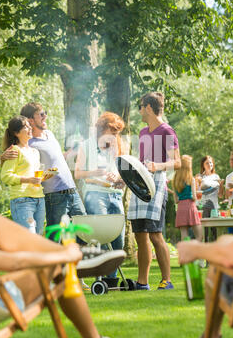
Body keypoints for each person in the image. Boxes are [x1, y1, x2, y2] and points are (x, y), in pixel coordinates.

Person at [0, 208, 134, 338]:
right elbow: (8, 262)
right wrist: (65, 257)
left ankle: (70, 256)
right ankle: (71, 258)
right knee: (57, 266)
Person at [1, 103, 86, 239]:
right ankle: (48, 260)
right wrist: (3, 157)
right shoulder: (29, 144)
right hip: (54, 196)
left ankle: (84, 258)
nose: (45, 116)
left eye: (44, 112)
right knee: (55, 238)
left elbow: (57, 159)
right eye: (41, 114)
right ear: (30, 120)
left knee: (84, 231)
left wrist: (73, 151)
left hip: (71, 190)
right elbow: (12, 165)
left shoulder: (49, 135)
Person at [128, 92, 181, 290]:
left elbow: (177, 162)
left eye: (141, 106)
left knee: (155, 234)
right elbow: (141, 164)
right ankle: (143, 283)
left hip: (157, 185)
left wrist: (156, 166)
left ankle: (166, 280)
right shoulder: (142, 132)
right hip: (140, 184)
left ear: (149, 107)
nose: (140, 110)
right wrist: (125, 179)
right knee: (140, 234)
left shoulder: (167, 131)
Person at [74, 112, 126, 287]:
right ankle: (104, 278)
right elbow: (78, 173)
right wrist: (94, 173)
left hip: (115, 195)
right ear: (101, 129)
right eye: (112, 132)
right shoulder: (86, 146)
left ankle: (111, 279)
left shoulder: (118, 145)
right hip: (95, 194)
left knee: (119, 238)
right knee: (103, 237)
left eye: (117, 133)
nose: (114, 136)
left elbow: (123, 171)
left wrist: (118, 177)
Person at [1, 116, 45, 235]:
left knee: (39, 239)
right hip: (22, 201)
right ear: (16, 133)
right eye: (26, 126)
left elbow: (35, 175)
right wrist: (29, 180)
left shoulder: (35, 152)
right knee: (30, 239)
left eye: (29, 125)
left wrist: (44, 177)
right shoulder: (14, 150)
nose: (30, 128)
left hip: (39, 199)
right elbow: (5, 176)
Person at [173, 155, 202, 241]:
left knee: (184, 234)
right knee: (199, 236)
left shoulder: (175, 180)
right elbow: (194, 197)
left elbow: (176, 200)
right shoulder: (191, 179)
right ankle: (194, 251)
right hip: (190, 206)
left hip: (181, 208)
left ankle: (186, 252)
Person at [196, 156, 224, 242]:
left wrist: (222, 185)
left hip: (214, 207)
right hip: (203, 206)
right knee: (205, 232)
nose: (209, 164)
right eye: (207, 163)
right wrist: (197, 182)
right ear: (203, 165)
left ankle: (216, 252)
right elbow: (196, 193)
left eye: (211, 162)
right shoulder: (199, 176)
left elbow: (220, 195)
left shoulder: (216, 176)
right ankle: (204, 252)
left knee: (215, 232)